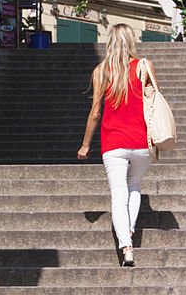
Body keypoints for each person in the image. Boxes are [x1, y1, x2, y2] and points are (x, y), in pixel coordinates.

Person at [77, 24, 157, 267]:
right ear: (131, 41)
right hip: (142, 141)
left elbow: (95, 112)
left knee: (118, 192)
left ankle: (126, 247)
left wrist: (85, 144)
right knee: (134, 185)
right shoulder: (143, 66)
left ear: (109, 41)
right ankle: (129, 231)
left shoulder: (101, 71)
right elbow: (154, 102)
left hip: (113, 142)